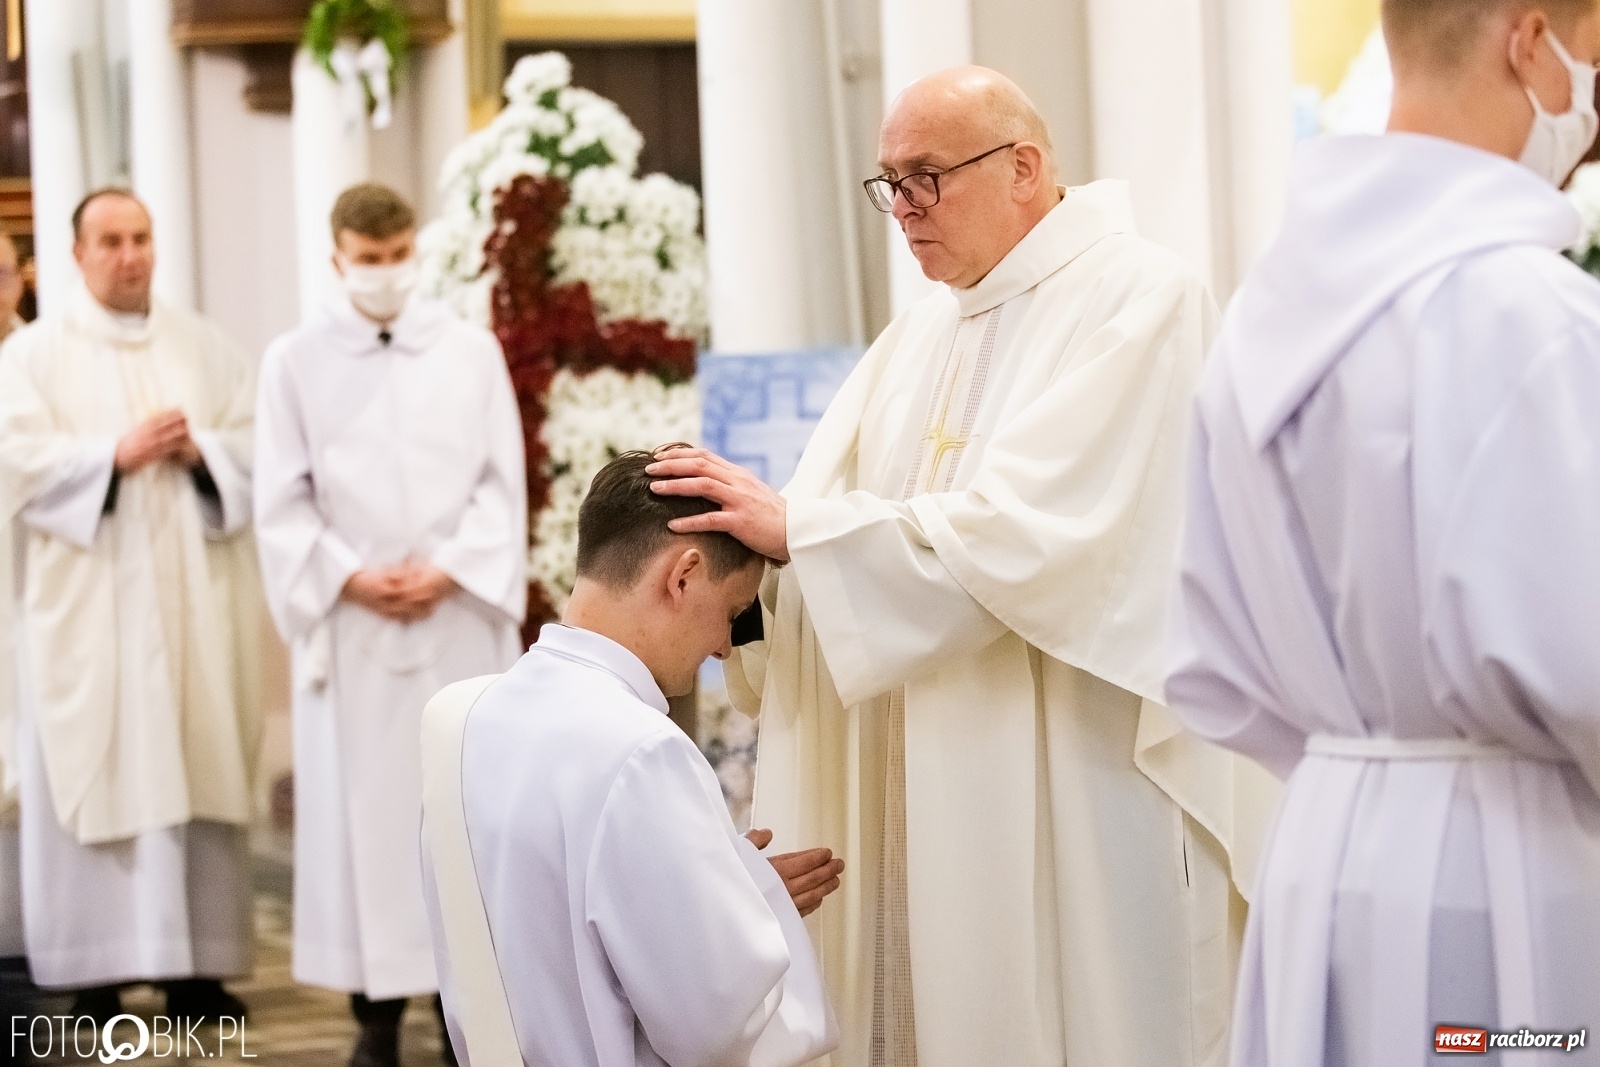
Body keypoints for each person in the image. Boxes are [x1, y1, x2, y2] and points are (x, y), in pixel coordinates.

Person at [648, 66, 1277, 1067]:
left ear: (1023, 166)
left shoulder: (1140, 299)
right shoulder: (922, 330)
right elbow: (823, 529)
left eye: (925, 177)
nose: (901, 208)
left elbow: (1035, 533)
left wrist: (803, 527)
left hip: (1066, 763)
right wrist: (753, 571)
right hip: (914, 760)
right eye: (888, 181)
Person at [1164, 1, 1600, 1064]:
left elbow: (1214, 662)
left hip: (1323, 846)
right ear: (1528, 41)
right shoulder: (1528, 314)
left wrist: (1371, 762)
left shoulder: (1261, 322)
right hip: (1506, 861)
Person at [420, 448, 844, 1067]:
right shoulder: (643, 749)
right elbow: (712, 1028)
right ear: (682, 575)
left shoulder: (464, 716)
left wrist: (715, 896)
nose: (725, 646)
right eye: (732, 612)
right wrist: (750, 917)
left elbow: (544, 928)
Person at [253, 182, 528, 1067]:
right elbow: (280, 495)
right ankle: (374, 1017)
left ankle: (463, 1013)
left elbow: (501, 480)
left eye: (397, 255)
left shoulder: (469, 350)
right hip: (355, 627)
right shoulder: (295, 361)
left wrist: (450, 565)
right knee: (365, 824)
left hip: (453, 617)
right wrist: (347, 573)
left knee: (456, 812)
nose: (384, 275)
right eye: (367, 261)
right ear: (337, 258)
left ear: (416, 249)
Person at [0, 189, 261, 1021]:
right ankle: (98, 969)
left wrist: (204, 452)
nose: (130, 254)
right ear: (76, 254)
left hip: (194, 604)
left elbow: (260, 444)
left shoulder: (206, 347)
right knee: (100, 761)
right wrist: (109, 456)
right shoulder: (33, 356)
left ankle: (197, 970)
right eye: (110, 240)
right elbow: (16, 464)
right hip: (92, 606)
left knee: (197, 760)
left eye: (141, 238)